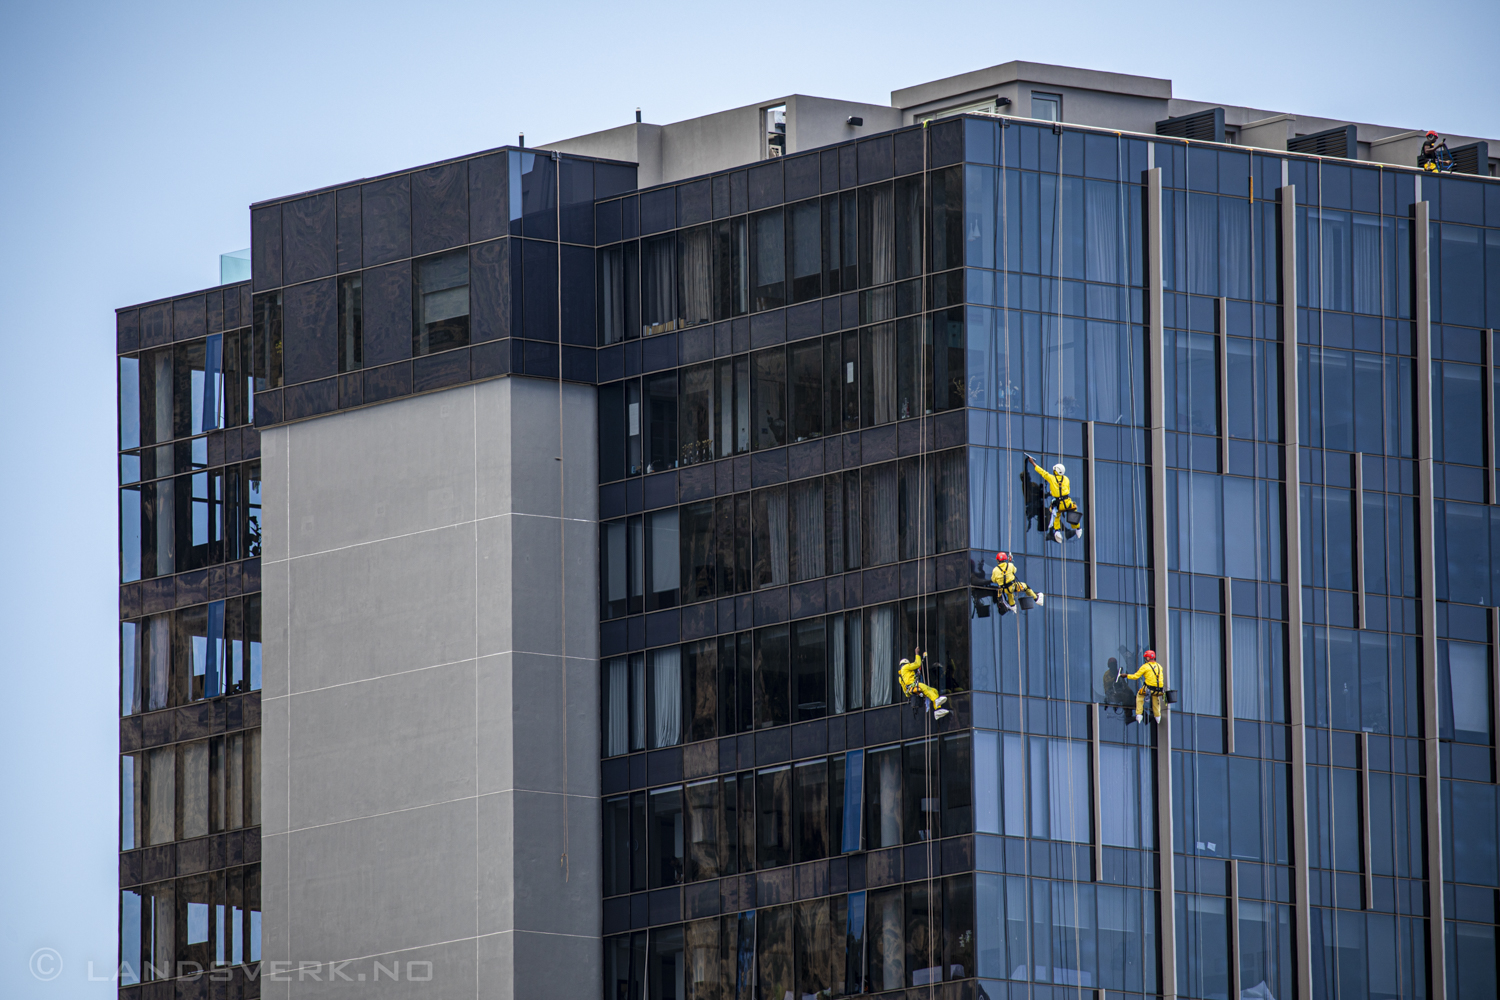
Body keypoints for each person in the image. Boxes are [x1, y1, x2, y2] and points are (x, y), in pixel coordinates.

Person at [1025, 454, 1082, 543]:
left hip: (1059, 503)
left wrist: (1032, 463)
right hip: (1067, 501)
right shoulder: (1066, 479)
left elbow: (1042, 472)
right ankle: (1078, 528)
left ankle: (1057, 531)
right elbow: (1066, 489)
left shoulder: (1052, 478)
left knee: (1056, 515)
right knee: (1072, 514)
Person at [899, 648, 950, 719]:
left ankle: (937, 710)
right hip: (914, 686)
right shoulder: (905, 667)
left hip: (911, 689)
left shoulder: (901, 677)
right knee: (927, 689)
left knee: (934, 691)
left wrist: (908, 695)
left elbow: (904, 688)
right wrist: (917, 654)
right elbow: (917, 664)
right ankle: (936, 700)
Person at [1125, 650, 1167, 724]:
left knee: (1139, 696)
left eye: (1145, 658)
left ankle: (1139, 715)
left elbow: (1136, 676)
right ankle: (1158, 716)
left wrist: (1126, 676)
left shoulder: (1145, 666)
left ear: (1148, 658)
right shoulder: (1159, 666)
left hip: (1149, 688)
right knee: (1155, 699)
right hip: (1159, 689)